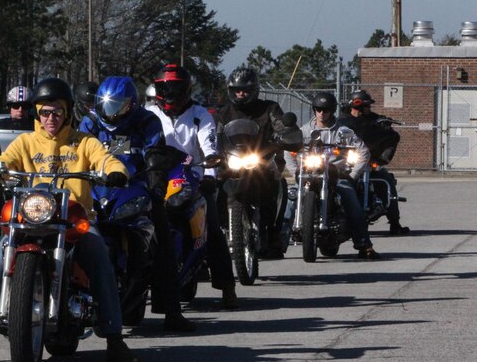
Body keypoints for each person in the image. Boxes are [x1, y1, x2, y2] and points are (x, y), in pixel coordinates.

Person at [0, 76, 140, 362]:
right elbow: (3, 161)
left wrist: (115, 170)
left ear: (67, 112)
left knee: (100, 258)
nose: (50, 118)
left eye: (57, 112)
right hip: (31, 216)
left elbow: (105, 159)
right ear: (37, 114)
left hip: (74, 218)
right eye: (44, 112)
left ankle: (114, 337)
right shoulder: (26, 142)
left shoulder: (84, 142)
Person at [84, 75, 195, 333]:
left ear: (131, 105)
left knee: (162, 234)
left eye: (117, 107)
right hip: (96, 189)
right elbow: (76, 152)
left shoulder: (147, 120)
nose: (110, 114)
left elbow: (155, 151)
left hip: (136, 187)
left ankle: (171, 309)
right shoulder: (89, 122)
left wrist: (156, 185)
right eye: (106, 105)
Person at [146, 63, 239, 308]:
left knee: (212, 227)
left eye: (176, 88)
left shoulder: (200, 114)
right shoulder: (148, 114)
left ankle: (227, 286)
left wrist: (209, 174)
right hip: (154, 178)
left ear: (187, 89)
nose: (171, 94)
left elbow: (209, 148)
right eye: (166, 89)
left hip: (192, 177)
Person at [212, 67, 303, 257]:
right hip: (231, 162)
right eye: (237, 90)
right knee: (212, 188)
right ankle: (216, 232)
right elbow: (213, 135)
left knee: (277, 184)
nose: (241, 94)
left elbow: (281, 125)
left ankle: (273, 233)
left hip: (262, 160)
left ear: (254, 90)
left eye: (245, 90)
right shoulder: (222, 113)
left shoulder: (268, 109)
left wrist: (287, 135)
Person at [299, 92, 380, 260]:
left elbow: (363, 151)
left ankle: (364, 245)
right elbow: (289, 150)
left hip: (337, 175)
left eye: (326, 110)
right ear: (314, 110)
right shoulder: (305, 131)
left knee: (351, 199)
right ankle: (278, 242)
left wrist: (353, 175)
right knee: (292, 198)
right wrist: (294, 170)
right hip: (309, 174)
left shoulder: (343, 132)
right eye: (319, 109)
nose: (322, 113)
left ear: (332, 110)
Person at [337, 89, 408, 235]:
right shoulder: (341, 121)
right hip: (346, 161)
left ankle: (395, 223)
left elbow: (386, 129)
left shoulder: (374, 119)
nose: (369, 109)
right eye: (367, 106)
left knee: (385, 180)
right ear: (358, 107)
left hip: (369, 160)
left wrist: (385, 125)